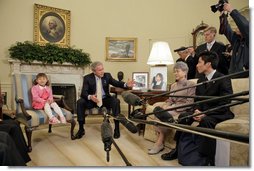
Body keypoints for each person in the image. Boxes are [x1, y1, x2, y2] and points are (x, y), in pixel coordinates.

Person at [76, 61, 134, 139]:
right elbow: (84, 93)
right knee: (80, 102)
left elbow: (116, 83)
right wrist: (91, 97)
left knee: (116, 101)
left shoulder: (107, 75)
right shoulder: (87, 78)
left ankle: (117, 129)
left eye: (102, 69)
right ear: (94, 71)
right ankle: (81, 129)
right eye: (100, 70)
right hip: (93, 100)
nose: (102, 71)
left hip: (105, 99)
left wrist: (126, 84)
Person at [147, 62, 196, 155]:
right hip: (171, 108)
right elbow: (170, 99)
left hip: (182, 110)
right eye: (174, 71)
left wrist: (171, 107)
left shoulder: (191, 84)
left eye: (177, 71)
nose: (175, 73)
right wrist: (166, 105)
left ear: (185, 72)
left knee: (161, 115)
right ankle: (159, 142)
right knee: (158, 111)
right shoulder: (173, 85)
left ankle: (159, 143)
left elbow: (189, 103)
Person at [219, 2, 249, 77]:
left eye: (238, 26)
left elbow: (244, 26)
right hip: (233, 75)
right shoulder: (236, 40)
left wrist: (231, 10)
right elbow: (226, 29)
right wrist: (222, 14)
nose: (236, 27)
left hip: (246, 76)